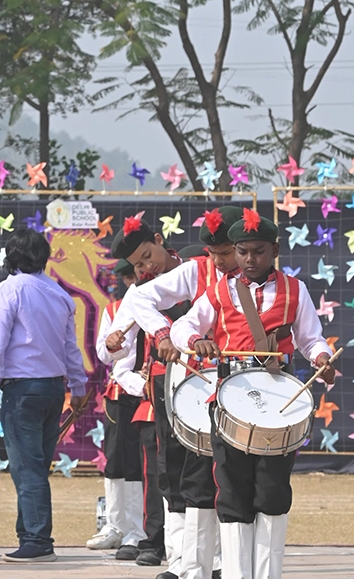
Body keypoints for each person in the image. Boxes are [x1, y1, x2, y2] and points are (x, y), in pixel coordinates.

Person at [171, 210, 335, 579]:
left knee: (273, 494)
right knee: (231, 494)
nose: (249, 259)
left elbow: (311, 338)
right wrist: (196, 341)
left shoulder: (295, 290)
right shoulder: (219, 290)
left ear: (275, 250)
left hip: (279, 403)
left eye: (257, 252)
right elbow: (184, 325)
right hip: (229, 399)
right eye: (242, 251)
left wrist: (322, 358)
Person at [121, 206, 244, 579]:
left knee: (231, 474)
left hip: (239, 386)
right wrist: (162, 334)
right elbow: (138, 300)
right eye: (214, 253)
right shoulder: (197, 270)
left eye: (227, 252)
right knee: (179, 470)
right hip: (184, 383)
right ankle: (181, 562)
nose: (219, 260)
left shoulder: (268, 282)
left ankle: (226, 563)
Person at [0, 229, 90, 563]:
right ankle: (30, 535)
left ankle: (38, 539)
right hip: (54, 388)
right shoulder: (59, 293)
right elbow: (71, 347)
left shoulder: (8, 290)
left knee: (28, 468)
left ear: (11, 257)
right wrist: (79, 388)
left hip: (22, 389)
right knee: (35, 465)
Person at [107, 214, 188, 572]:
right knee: (159, 470)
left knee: (200, 472)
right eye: (137, 264)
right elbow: (114, 354)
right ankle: (154, 539)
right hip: (158, 390)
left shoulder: (196, 271)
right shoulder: (138, 294)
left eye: (147, 256)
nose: (145, 267)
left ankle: (198, 549)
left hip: (203, 384)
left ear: (159, 239)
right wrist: (113, 342)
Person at [87, 258, 146, 561]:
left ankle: (139, 531)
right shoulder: (113, 310)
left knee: (141, 464)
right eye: (131, 277)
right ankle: (115, 526)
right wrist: (112, 343)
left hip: (152, 394)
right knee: (116, 462)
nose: (134, 281)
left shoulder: (162, 307)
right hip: (121, 394)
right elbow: (102, 353)